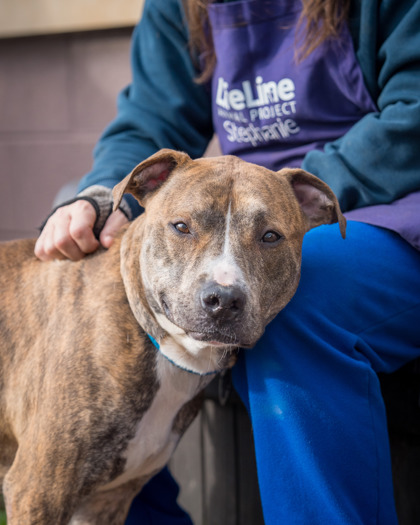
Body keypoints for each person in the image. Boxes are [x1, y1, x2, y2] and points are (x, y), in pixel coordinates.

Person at [35, 0, 420, 523]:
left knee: (310, 287)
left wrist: (282, 198)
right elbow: (152, 117)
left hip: (389, 204)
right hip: (246, 207)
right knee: (104, 241)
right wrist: (103, 198)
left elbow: (412, 115)